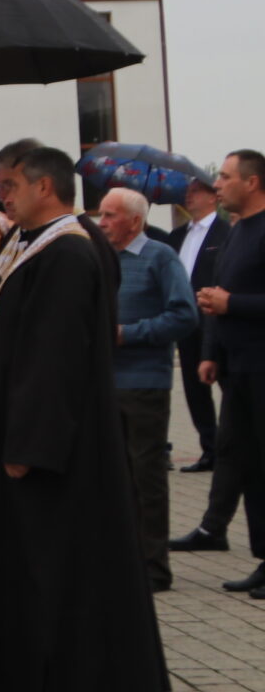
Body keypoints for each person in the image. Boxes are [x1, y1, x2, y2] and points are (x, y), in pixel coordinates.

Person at [0, 142, 169, 692]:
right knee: (21, 570)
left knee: (57, 573)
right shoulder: (24, 245)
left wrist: (30, 444)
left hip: (52, 449)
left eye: (9, 184)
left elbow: (53, 359)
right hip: (15, 437)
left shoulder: (68, 251)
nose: (1, 195)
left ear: (45, 187)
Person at [94, 186, 197, 591]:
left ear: (134, 221)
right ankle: (120, 559)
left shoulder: (159, 256)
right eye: (101, 215)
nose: (101, 223)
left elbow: (184, 315)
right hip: (104, 382)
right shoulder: (101, 260)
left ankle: (154, 567)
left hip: (144, 386)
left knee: (145, 478)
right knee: (114, 478)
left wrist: (128, 334)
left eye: (109, 215)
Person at [178, 150, 265, 580]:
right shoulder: (234, 232)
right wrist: (210, 351)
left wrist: (235, 304)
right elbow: (217, 293)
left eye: (226, 177)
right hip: (235, 366)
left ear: (252, 183)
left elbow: (230, 298)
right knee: (239, 456)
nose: (218, 185)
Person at [174, 173, 221, 471]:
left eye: (196, 191)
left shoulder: (225, 232)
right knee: (193, 387)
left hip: (215, 319)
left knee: (226, 383)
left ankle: (239, 447)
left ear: (212, 196)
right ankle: (210, 448)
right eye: (187, 192)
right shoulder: (179, 235)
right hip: (187, 321)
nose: (189, 196)